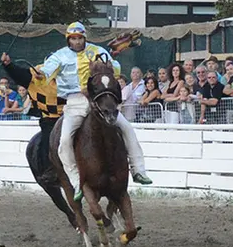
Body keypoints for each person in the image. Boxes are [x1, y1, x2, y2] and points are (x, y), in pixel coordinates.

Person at [39, 22, 152, 202]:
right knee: (65, 140)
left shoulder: (98, 51)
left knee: (127, 128)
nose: (77, 42)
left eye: (79, 38)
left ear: (84, 38)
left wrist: (110, 59)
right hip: (75, 101)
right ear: (69, 39)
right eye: (73, 39)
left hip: (99, 100)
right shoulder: (58, 56)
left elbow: (115, 69)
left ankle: (138, 170)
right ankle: (76, 181)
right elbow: (45, 72)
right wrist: (40, 74)